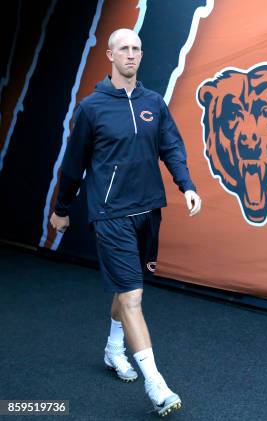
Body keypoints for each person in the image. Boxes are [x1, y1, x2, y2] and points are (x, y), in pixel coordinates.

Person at [49, 28, 201, 417]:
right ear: (110, 56)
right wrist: (62, 207)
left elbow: (170, 146)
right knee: (132, 295)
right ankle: (157, 385)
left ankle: (114, 349)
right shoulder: (91, 108)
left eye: (136, 48)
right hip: (110, 214)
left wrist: (186, 185)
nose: (131, 55)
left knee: (127, 287)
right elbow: (73, 166)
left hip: (148, 210)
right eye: (124, 49)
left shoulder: (154, 102)